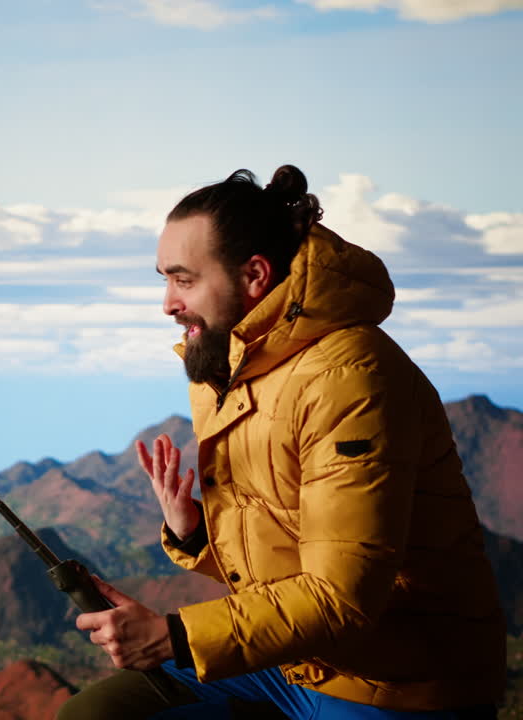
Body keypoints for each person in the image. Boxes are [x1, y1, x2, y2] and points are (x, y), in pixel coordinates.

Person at [56, 165, 505, 720]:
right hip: (295, 661)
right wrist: (196, 532)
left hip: (395, 682)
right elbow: (288, 554)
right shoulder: (233, 367)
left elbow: (342, 597)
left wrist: (175, 636)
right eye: (164, 279)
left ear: (254, 276)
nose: (168, 304)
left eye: (184, 279)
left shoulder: (350, 376)